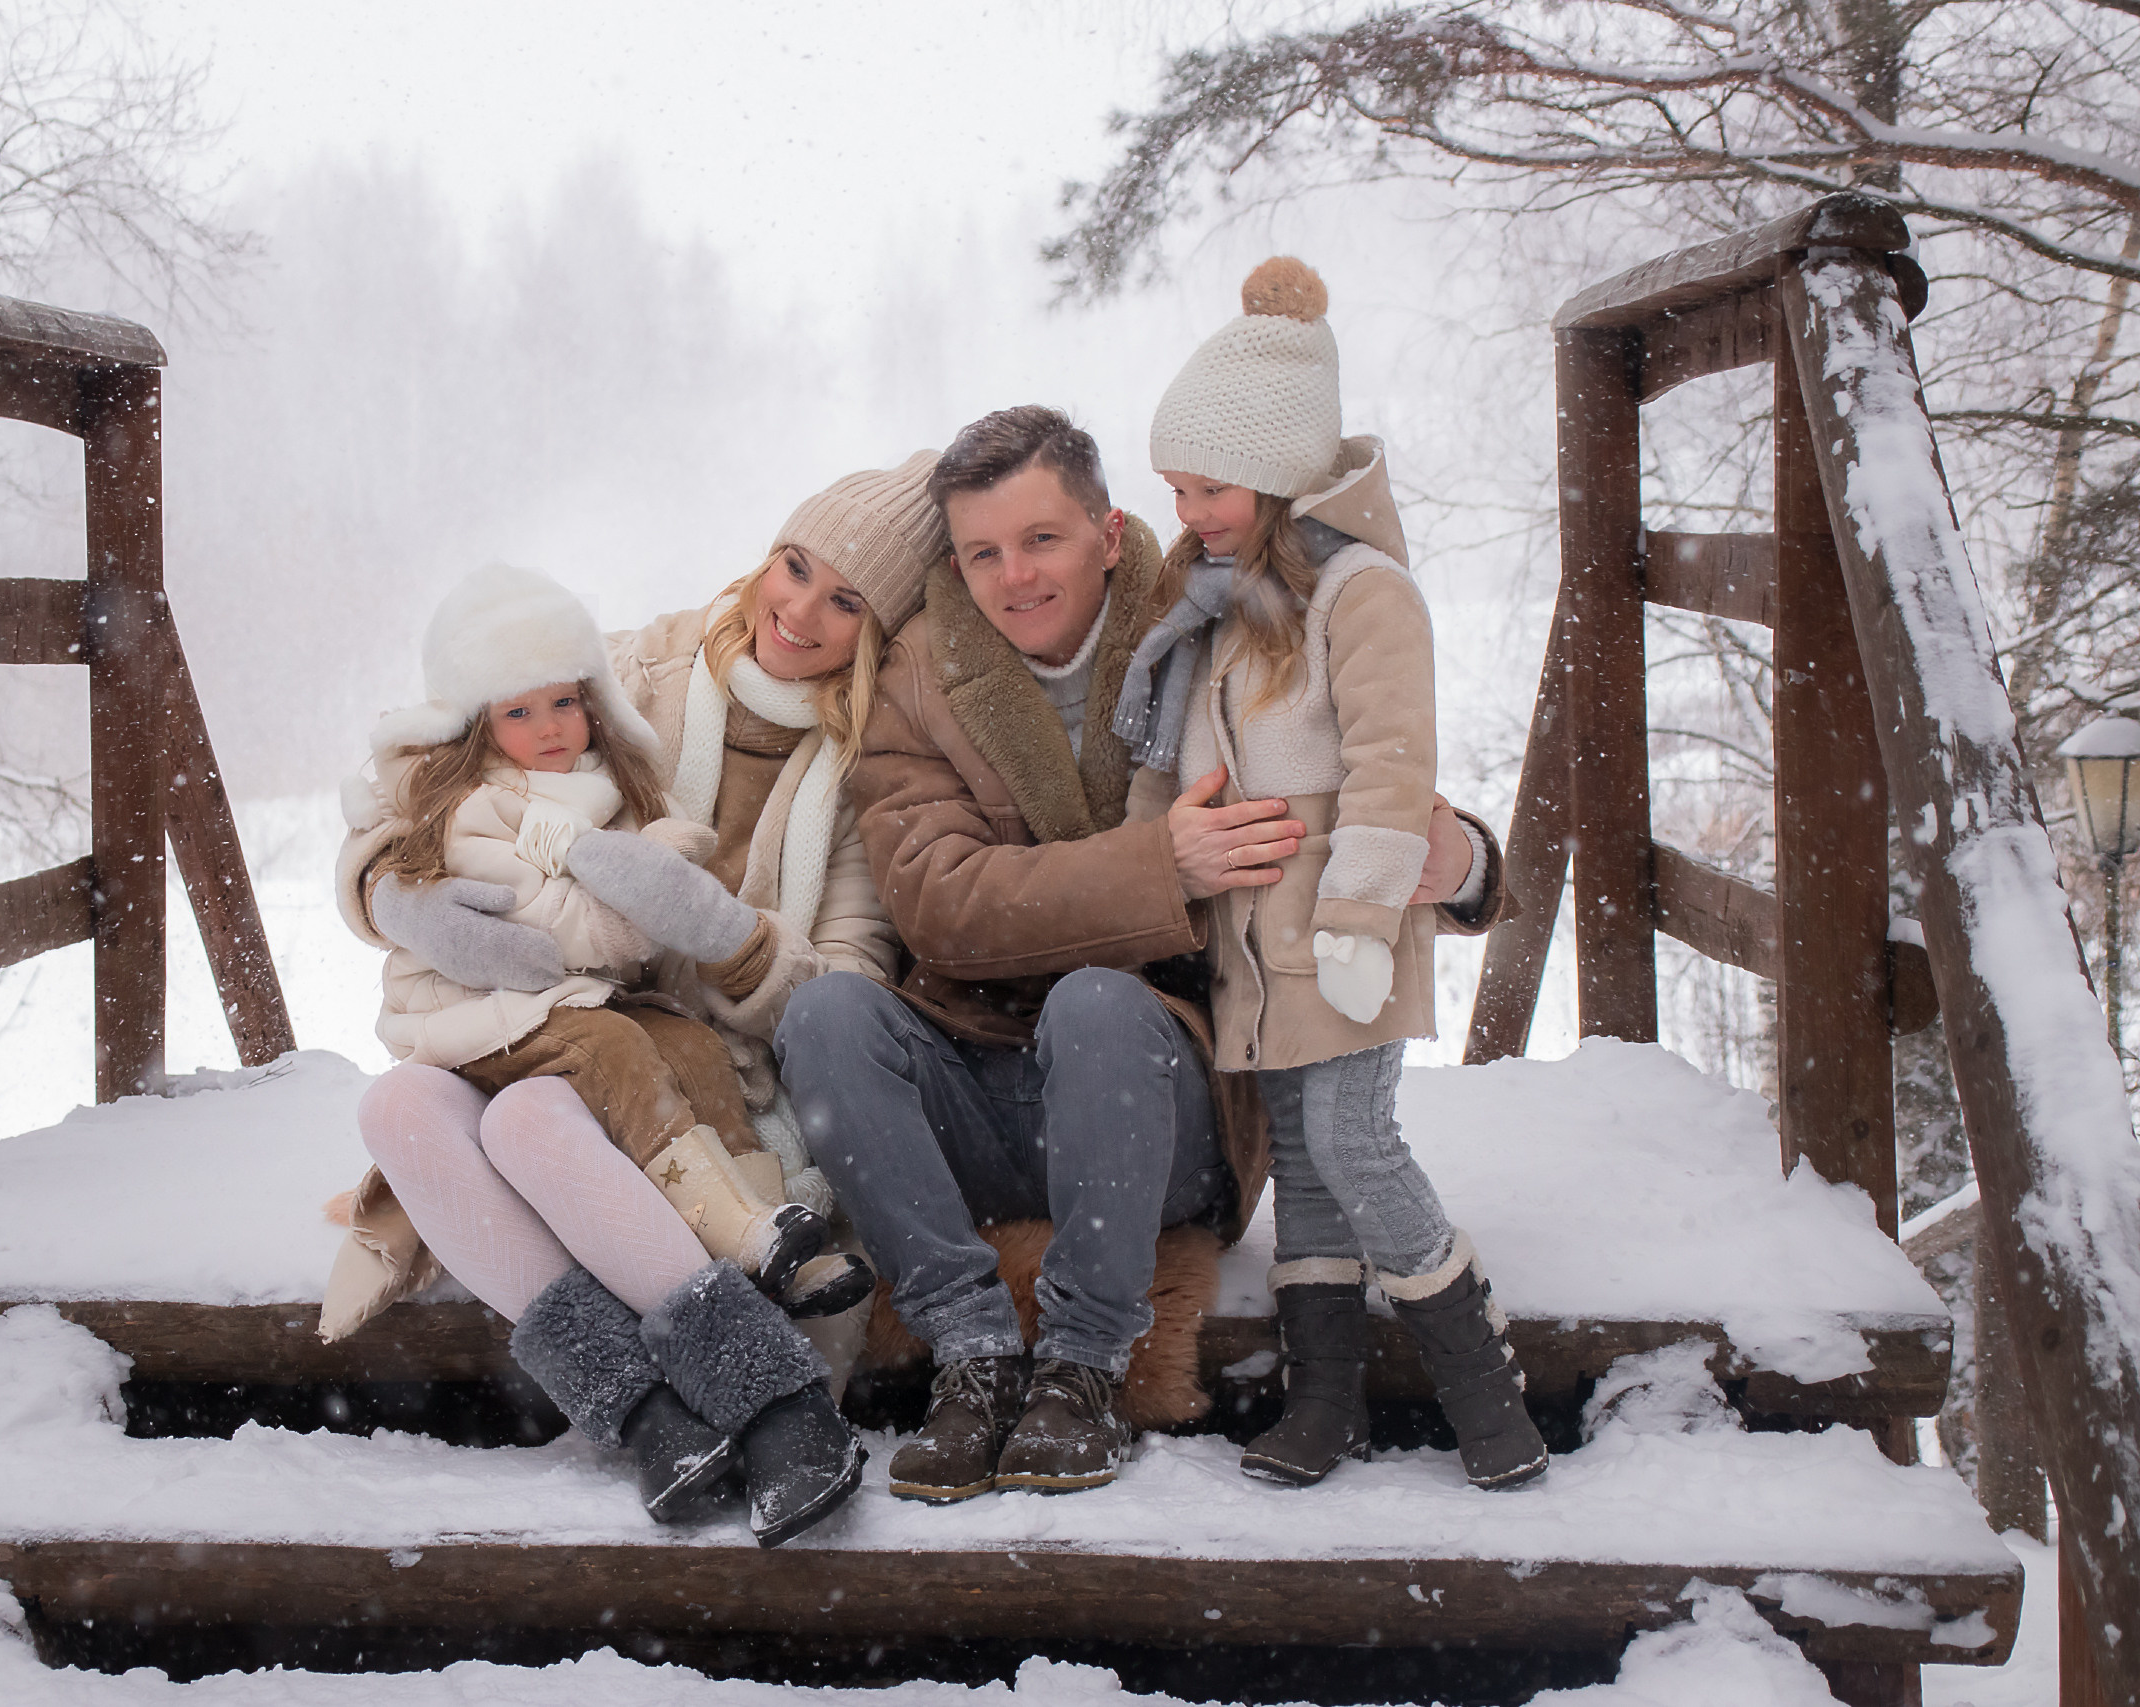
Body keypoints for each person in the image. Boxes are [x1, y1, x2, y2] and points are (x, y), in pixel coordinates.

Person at [775, 406, 1505, 1504]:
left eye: (1042, 540)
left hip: (1159, 1104)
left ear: (1109, 532)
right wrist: (1156, 867)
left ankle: (1081, 1364)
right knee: (825, 1017)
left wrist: (1462, 865)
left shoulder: (1216, 620)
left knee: (1099, 1003)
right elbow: (939, 907)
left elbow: (1359, 755)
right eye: (983, 552)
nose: (1015, 577)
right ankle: (970, 1351)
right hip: (977, 1088)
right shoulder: (921, 675)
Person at [324, 458, 946, 1546]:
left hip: (687, 1055)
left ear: (878, 629)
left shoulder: (866, 767)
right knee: (397, 1110)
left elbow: (844, 986)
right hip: (532, 1022)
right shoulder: (628, 671)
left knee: (526, 1121)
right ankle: (650, 1415)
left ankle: (775, 1405)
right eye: (793, 568)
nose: (796, 610)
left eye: (844, 599)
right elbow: (425, 771)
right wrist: (392, 893)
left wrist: (734, 940)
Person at [1120, 257, 1546, 1491]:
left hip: (1339, 924)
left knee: (1355, 1143)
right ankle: (1325, 1404)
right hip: (1253, 942)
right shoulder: (1214, 610)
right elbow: (1177, 774)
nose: (1187, 509)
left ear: (1271, 473)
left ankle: (1481, 1380)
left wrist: (1360, 914)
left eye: (1204, 486)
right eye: (1176, 488)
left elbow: (1391, 766)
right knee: (1302, 1164)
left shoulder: (1361, 595)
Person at [340, 565, 863, 1309]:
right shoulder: (473, 800)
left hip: (576, 998)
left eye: (563, 702)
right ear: (473, 722)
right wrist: (625, 915)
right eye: (518, 713)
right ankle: (730, 1233)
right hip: (484, 1012)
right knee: (616, 1052)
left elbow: (635, 886)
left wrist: (662, 888)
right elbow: (528, 925)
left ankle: (771, 1223)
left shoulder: (606, 783)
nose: (549, 727)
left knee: (689, 1046)